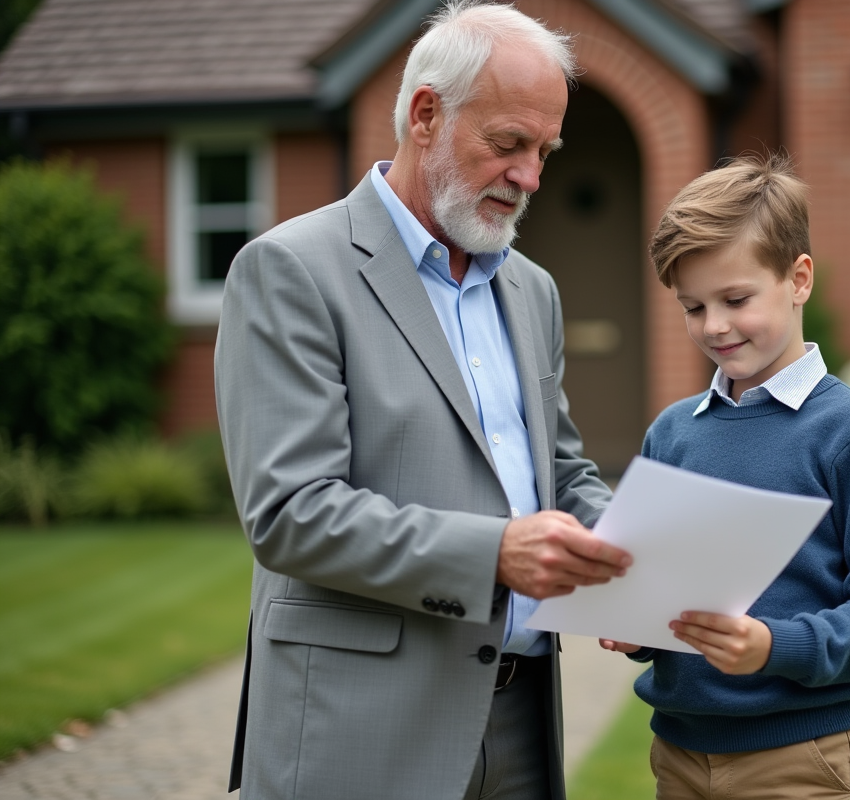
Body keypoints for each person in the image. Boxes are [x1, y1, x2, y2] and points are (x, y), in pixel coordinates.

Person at [213, 3, 632, 799]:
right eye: (508, 144)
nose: (531, 177)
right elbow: (291, 511)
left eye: (545, 152)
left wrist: (626, 550)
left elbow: (562, 470)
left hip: (520, 727)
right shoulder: (290, 270)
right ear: (425, 114)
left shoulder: (533, 289)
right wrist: (495, 555)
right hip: (360, 727)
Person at [600, 155, 850, 799]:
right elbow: (662, 587)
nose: (714, 326)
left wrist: (775, 645)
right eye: (693, 306)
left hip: (802, 758)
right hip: (677, 754)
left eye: (735, 299)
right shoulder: (673, 434)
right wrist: (632, 623)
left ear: (798, 278)